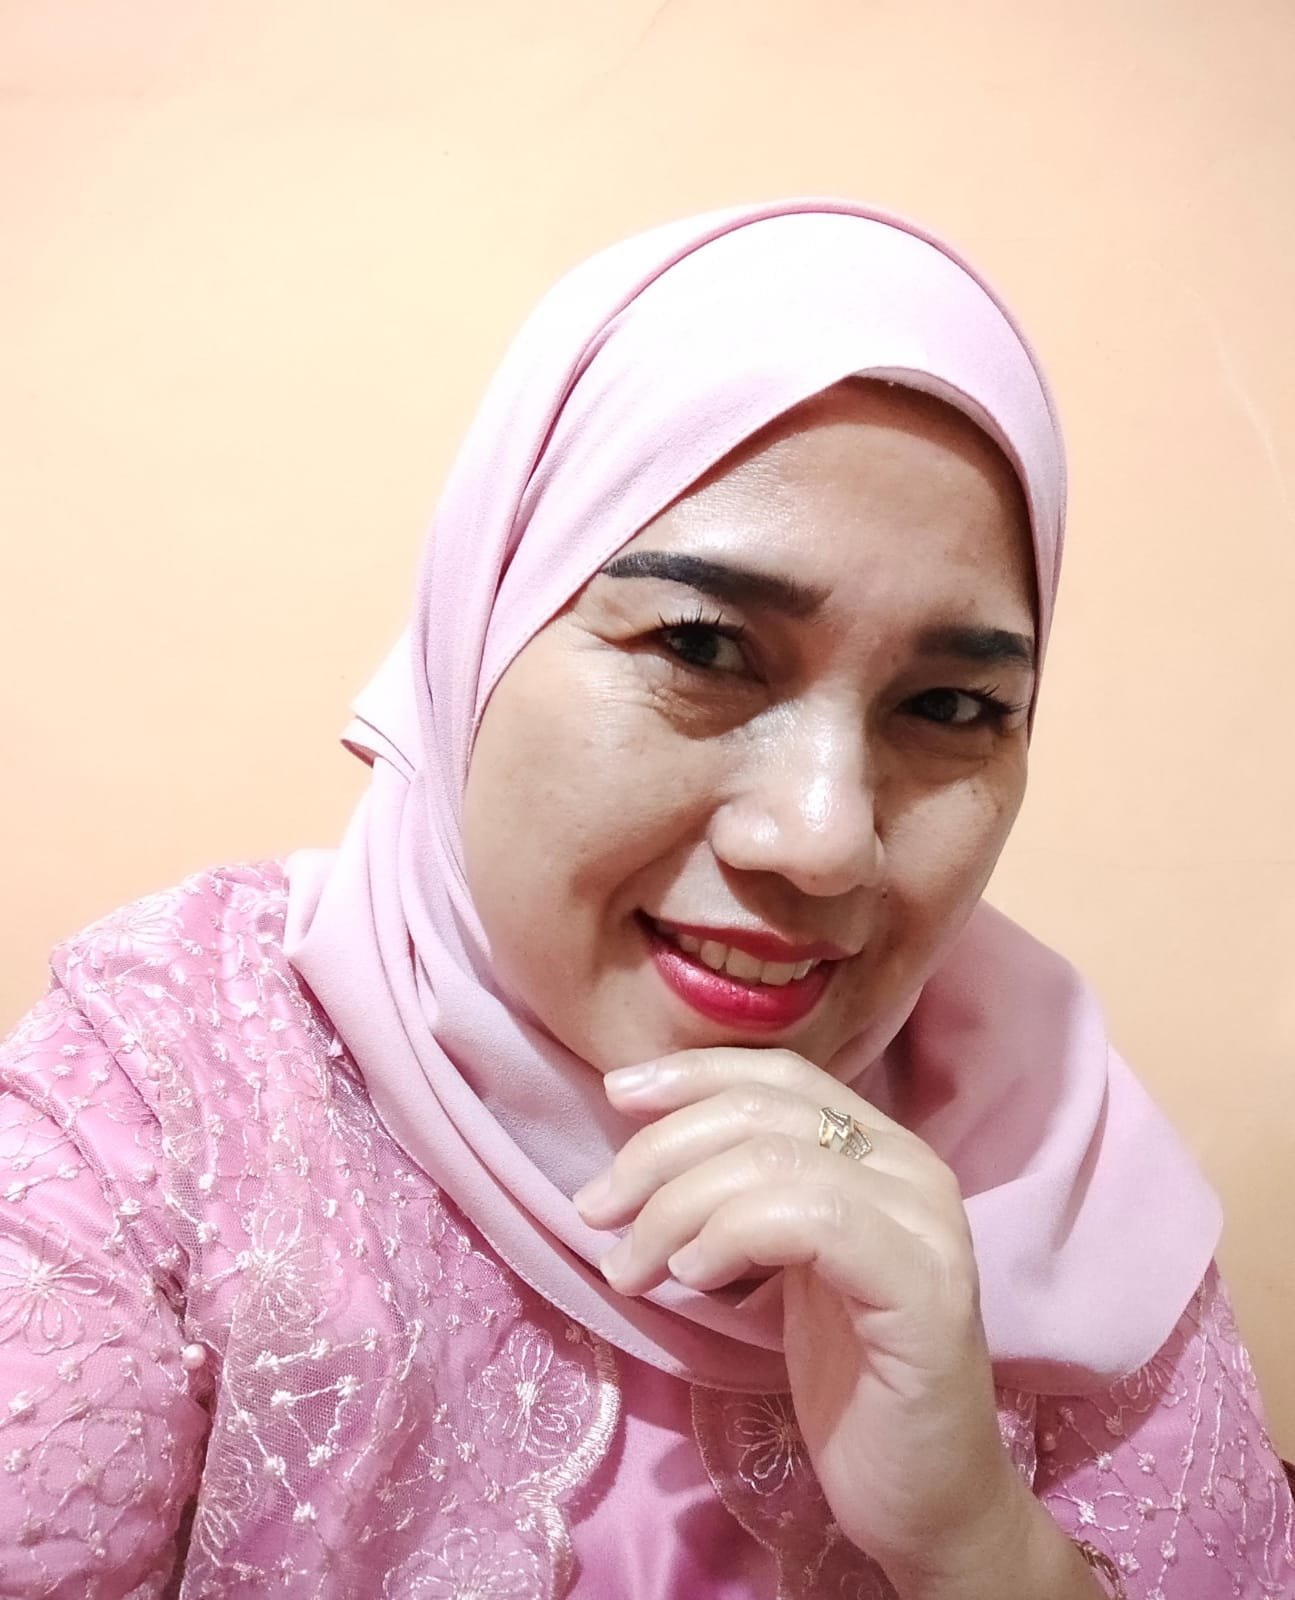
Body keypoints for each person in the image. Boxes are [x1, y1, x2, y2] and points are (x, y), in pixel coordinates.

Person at [0, 199, 1290, 1600]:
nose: (822, 841)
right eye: (702, 644)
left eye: (951, 705)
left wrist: (977, 1542)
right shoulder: (167, 1086)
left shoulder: (1060, 1169)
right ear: (481, 620)